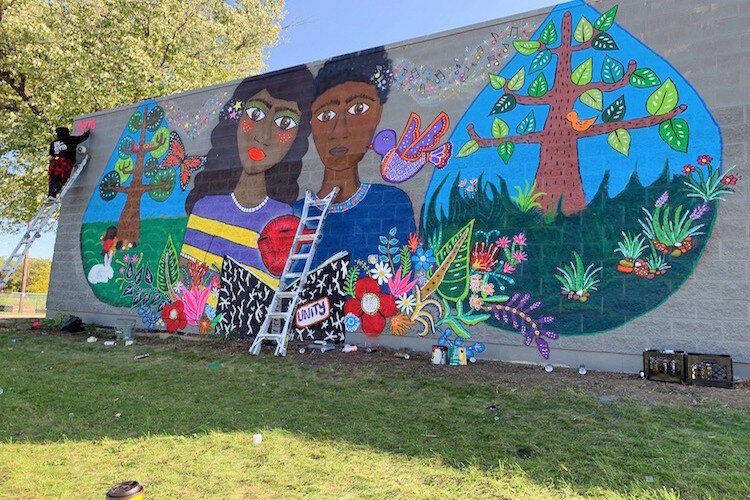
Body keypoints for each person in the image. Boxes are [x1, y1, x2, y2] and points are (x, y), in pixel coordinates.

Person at [182, 66, 314, 287]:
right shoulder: (205, 209)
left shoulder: (284, 222)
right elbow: (186, 287)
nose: (262, 135)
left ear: (296, 139)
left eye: (285, 123)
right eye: (256, 114)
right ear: (236, 118)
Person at [296, 48, 416, 267]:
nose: (339, 131)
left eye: (358, 108)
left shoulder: (392, 204)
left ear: (378, 114)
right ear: (310, 123)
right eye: (326, 115)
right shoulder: (294, 214)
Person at [48, 127, 90, 198]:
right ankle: (54, 191)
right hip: (65, 161)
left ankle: (51, 194)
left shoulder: (53, 143)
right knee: (61, 177)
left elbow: (51, 153)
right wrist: (88, 131)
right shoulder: (70, 139)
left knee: (53, 178)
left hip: (54, 161)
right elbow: (82, 138)